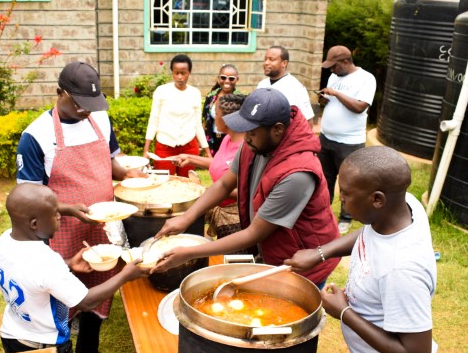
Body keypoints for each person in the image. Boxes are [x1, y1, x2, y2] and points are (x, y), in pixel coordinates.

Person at [285, 146, 437, 353]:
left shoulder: (400, 269)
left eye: (347, 194)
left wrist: (343, 312)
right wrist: (320, 253)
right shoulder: (401, 207)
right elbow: (370, 233)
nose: (339, 200)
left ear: (377, 199)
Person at [16, 61, 143, 353]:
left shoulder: (99, 118)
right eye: (79, 104)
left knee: (97, 293)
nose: (87, 112)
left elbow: (110, 161)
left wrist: (128, 174)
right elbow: (26, 200)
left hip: (101, 226)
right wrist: (69, 209)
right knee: (59, 298)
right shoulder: (36, 136)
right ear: (59, 92)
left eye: (91, 105)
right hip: (59, 233)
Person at [151, 88, 340, 288]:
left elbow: (254, 233)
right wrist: (186, 217)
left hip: (303, 261)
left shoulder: (297, 173)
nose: (246, 137)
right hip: (273, 250)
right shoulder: (254, 141)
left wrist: (189, 252)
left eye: (251, 131)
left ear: (277, 129)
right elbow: (224, 183)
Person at [0, 183, 148, 353]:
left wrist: (68, 264)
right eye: (54, 214)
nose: (59, 217)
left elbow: (30, 275)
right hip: (44, 344)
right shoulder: (45, 260)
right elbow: (86, 301)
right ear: (34, 223)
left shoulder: (4, 240)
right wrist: (124, 275)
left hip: (13, 334)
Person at [317, 45, 377, 235]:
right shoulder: (335, 76)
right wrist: (324, 99)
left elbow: (360, 107)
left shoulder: (366, 79)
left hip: (349, 142)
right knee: (324, 179)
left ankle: (346, 217)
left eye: (334, 66)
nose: (331, 71)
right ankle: (322, 213)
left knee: (348, 182)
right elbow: (332, 102)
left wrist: (336, 93)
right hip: (326, 137)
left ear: (345, 62)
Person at [175, 94, 246, 240]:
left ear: (228, 119)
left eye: (216, 114)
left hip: (236, 220)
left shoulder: (246, 149)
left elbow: (251, 192)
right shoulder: (228, 138)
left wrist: (208, 191)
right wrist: (189, 158)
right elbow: (220, 164)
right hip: (221, 211)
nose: (213, 118)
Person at [143, 54, 211, 177]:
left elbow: (197, 125)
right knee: (162, 183)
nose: (179, 77)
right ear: (172, 73)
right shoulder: (161, 91)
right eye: (176, 73)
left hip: (189, 147)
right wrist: (146, 151)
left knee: (186, 185)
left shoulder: (195, 93)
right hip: (164, 147)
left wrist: (207, 151)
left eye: (183, 73)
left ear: (189, 72)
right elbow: (153, 121)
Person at [257, 45, 315, 126]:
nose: (266, 63)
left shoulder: (296, 88)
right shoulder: (262, 84)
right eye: (265, 59)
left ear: (284, 63)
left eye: (271, 59)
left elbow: (308, 121)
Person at [202, 64, 242, 155]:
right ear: (218, 78)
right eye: (223, 77)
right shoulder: (211, 97)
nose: (227, 81)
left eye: (231, 78)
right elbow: (205, 121)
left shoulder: (239, 100)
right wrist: (203, 143)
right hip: (212, 138)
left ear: (237, 79)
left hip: (231, 139)